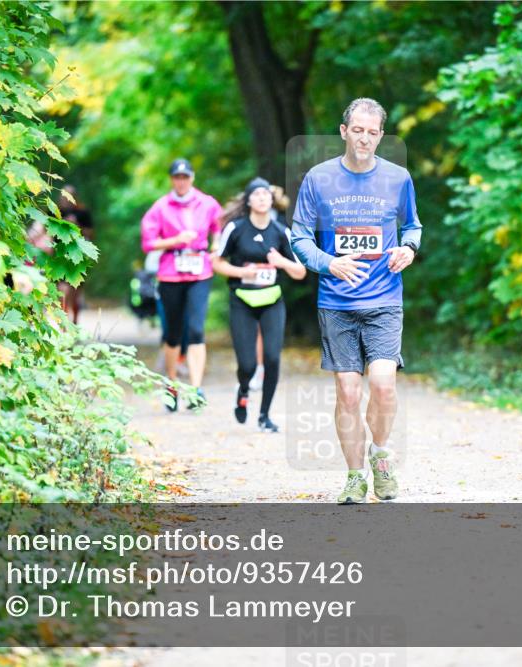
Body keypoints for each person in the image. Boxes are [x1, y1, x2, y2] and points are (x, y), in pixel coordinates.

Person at [290, 98, 422, 504]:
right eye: (358, 130)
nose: (365, 138)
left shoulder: (398, 178)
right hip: (337, 301)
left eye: (373, 132)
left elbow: (412, 226)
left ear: (381, 135)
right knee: (348, 393)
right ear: (344, 131)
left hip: (384, 298)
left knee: (383, 386)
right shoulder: (318, 178)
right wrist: (330, 264)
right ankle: (354, 476)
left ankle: (380, 455)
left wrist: (408, 249)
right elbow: (299, 236)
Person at [213, 177, 307, 432]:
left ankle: (265, 415)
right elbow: (217, 263)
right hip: (242, 300)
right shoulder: (236, 228)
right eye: (257, 194)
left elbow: (300, 272)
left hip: (272, 301)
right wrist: (242, 273)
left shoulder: (281, 231)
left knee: (273, 359)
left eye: (266, 193)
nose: (262, 197)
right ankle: (243, 391)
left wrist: (281, 262)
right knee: (247, 365)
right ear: (249, 200)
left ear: (271, 199)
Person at [141, 158, 223, 411]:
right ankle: (172, 384)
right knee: (173, 333)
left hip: (200, 273)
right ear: (171, 180)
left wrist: (216, 244)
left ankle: (196, 389)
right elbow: (148, 243)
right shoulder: (160, 207)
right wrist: (175, 240)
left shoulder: (207, 203)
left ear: (192, 178)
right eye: (177, 177)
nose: (181, 181)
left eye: (185, 176)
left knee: (197, 330)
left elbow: (218, 226)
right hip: (170, 274)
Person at [57, 184, 94, 324]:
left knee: (75, 289)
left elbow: (91, 234)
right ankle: (64, 321)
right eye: (63, 195)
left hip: (78, 255)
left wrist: (77, 227)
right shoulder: (54, 212)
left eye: (69, 195)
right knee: (62, 288)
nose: (65, 199)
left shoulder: (83, 213)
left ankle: (75, 320)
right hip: (58, 255)